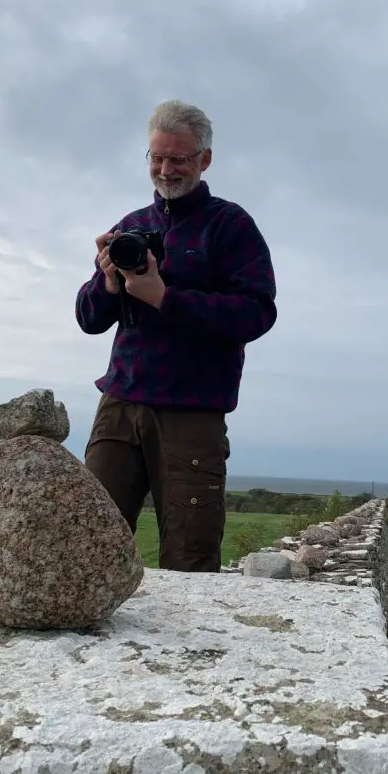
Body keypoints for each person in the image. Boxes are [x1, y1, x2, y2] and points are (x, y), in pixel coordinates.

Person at [75, 100, 277, 572]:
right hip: (120, 408)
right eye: (156, 157)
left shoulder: (231, 226)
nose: (166, 169)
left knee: (190, 559)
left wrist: (166, 298)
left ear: (205, 160)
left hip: (192, 413)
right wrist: (106, 284)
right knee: (88, 546)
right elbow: (88, 319)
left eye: (179, 159)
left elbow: (256, 314)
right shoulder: (131, 228)